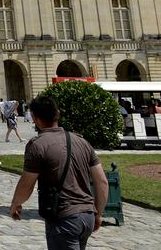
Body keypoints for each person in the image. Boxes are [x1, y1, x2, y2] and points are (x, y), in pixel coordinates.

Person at [11, 96, 108, 250]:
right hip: (87, 215)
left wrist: (16, 203)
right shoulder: (82, 142)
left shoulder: (38, 145)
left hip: (64, 217)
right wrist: (98, 213)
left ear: (35, 118)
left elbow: (27, 183)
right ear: (58, 114)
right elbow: (102, 182)